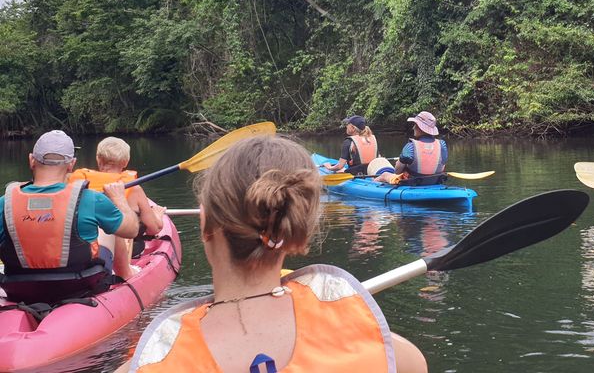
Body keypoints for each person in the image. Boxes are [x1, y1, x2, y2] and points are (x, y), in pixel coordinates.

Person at [121, 135, 427, 373]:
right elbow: (414, 362)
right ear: (298, 235)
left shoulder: (149, 363)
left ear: (205, 224)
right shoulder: (392, 353)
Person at [0, 130, 139, 304]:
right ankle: (126, 273)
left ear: (31, 160)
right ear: (71, 164)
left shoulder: (4, 203)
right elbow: (132, 230)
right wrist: (119, 199)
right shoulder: (91, 199)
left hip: (21, 289)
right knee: (109, 228)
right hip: (80, 286)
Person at [69, 137, 165, 279]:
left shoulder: (77, 186)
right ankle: (125, 271)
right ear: (125, 162)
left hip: (81, 249)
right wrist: (158, 215)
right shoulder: (134, 189)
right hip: (124, 252)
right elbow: (154, 228)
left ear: (98, 159)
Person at [373, 111, 448, 186]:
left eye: (415, 125)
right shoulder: (442, 145)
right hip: (434, 182)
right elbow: (442, 167)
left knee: (384, 174)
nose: (413, 127)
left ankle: (371, 185)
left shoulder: (410, 147)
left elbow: (397, 171)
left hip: (412, 183)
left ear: (420, 128)